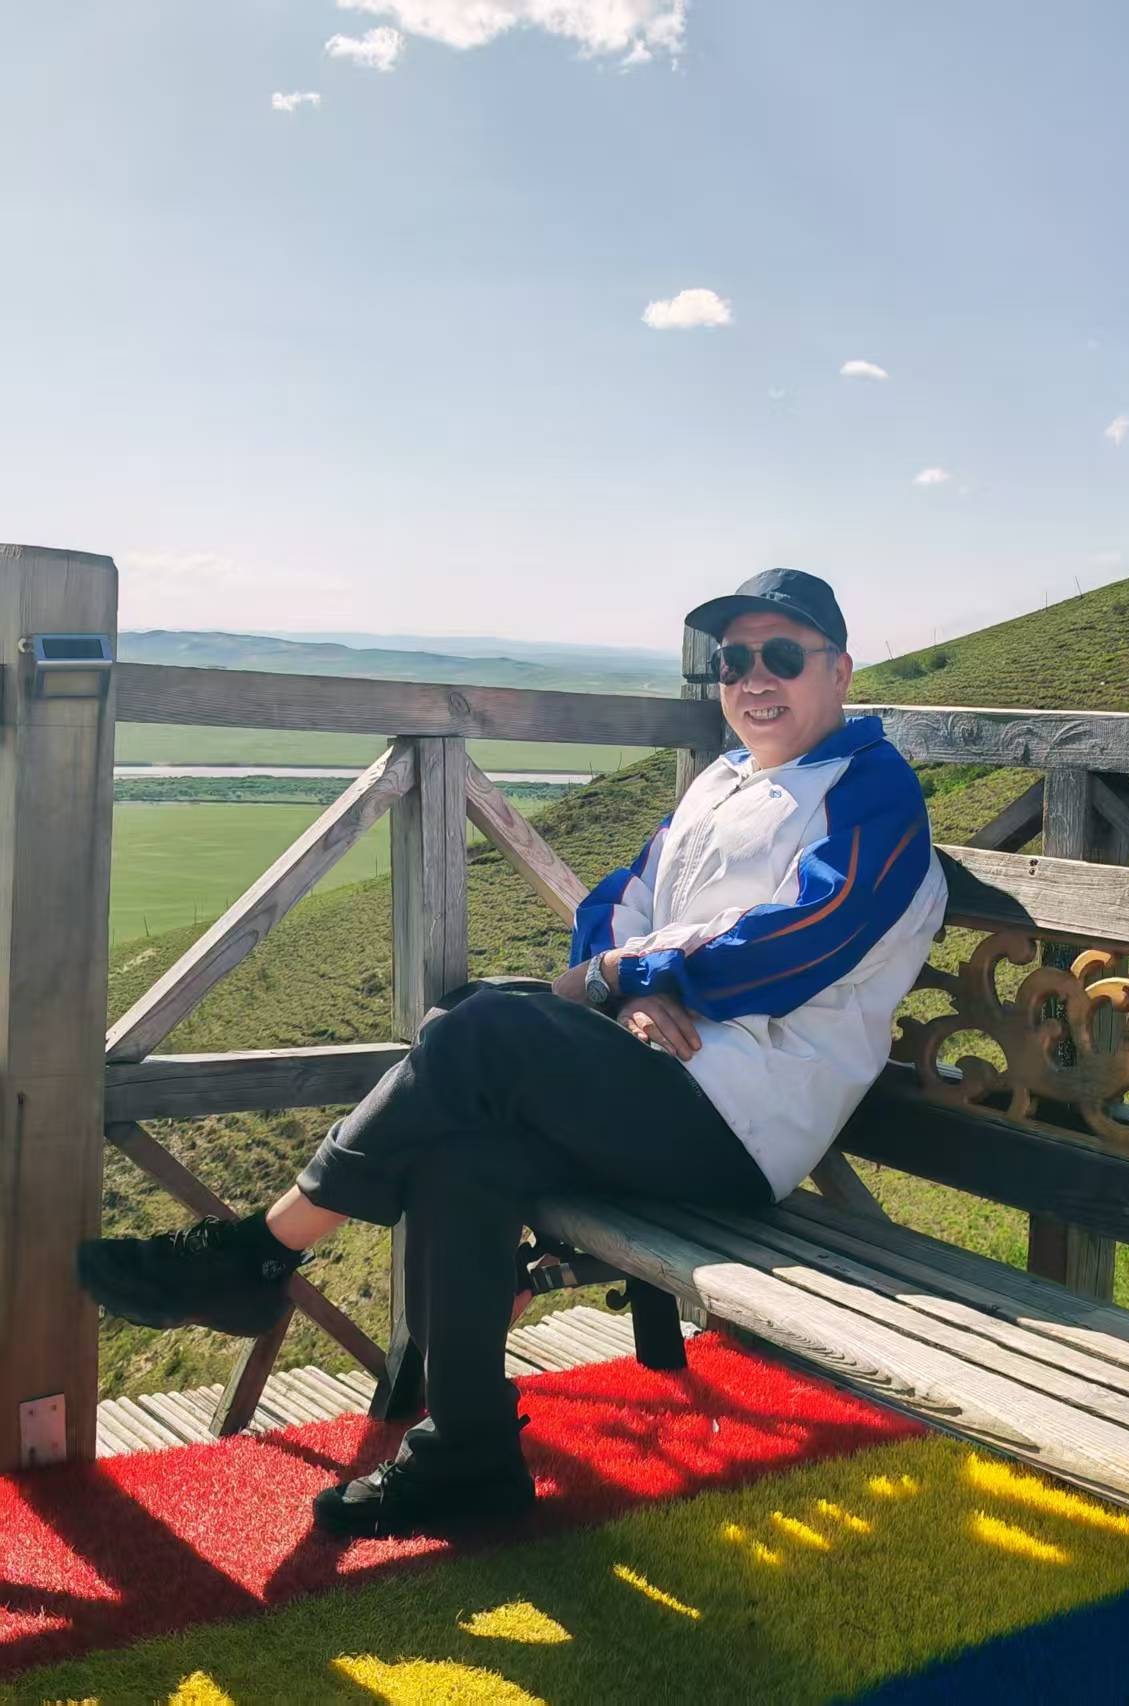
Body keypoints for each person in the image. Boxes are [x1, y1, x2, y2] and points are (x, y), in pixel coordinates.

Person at [79, 568, 947, 1539]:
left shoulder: (870, 789)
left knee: (484, 1027)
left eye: (780, 655)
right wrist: (630, 984)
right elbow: (614, 902)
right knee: (462, 1149)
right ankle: (470, 1458)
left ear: (840, 671)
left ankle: (260, 1252)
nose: (752, 679)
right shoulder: (723, 780)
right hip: (662, 1088)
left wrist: (623, 973)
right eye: (732, 660)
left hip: (746, 1118)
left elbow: (807, 937)